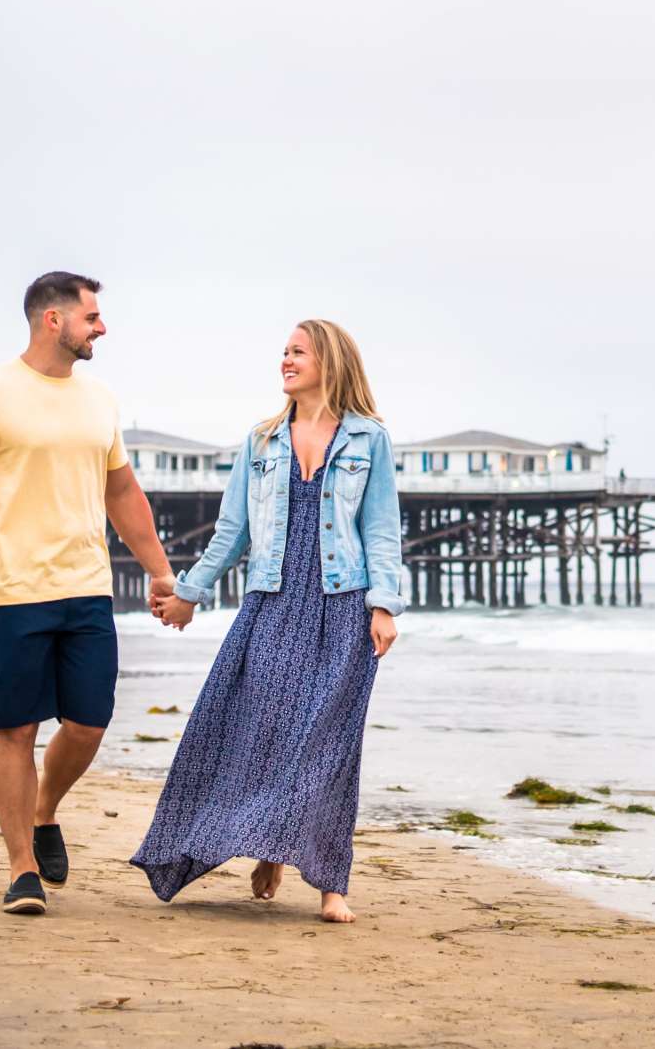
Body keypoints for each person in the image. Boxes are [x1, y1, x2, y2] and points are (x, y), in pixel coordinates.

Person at [0, 271, 178, 917]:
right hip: (12, 592)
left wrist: (159, 569)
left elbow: (122, 492)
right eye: (92, 316)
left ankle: (44, 810)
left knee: (89, 723)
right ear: (53, 321)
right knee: (16, 729)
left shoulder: (100, 401)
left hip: (86, 589)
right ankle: (22, 869)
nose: (103, 327)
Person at [132, 318, 403, 923]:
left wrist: (384, 604)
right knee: (253, 734)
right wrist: (189, 592)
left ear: (329, 362)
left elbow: (381, 528)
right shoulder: (261, 442)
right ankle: (269, 847)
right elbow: (234, 531)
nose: (286, 360)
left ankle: (333, 885)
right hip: (273, 605)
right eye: (283, 352)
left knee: (327, 745)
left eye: (298, 352)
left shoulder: (368, 440)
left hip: (341, 606)